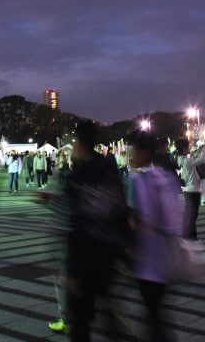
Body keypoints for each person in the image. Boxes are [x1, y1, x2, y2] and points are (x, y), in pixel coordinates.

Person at [63, 121, 126, 341]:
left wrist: (72, 270)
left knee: (80, 321)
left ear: (79, 144)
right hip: (109, 252)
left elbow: (74, 224)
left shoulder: (74, 178)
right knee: (108, 308)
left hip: (85, 257)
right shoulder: (111, 170)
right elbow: (121, 210)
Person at [124, 131, 182, 342]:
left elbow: (143, 217)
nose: (132, 154)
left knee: (153, 312)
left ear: (143, 152)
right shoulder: (165, 177)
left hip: (148, 258)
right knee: (157, 309)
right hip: (167, 255)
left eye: (134, 150)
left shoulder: (141, 180)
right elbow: (176, 216)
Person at [176, 138, 205, 239]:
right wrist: (203, 149)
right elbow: (202, 160)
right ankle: (191, 235)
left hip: (187, 189)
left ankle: (186, 232)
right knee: (193, 215)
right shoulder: (187, 161)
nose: (189, 148)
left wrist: (196, 150)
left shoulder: (181, 159)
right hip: (193, 189)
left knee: (188, 213)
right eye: (187, 147)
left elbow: (192, 157)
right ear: (184, 149)